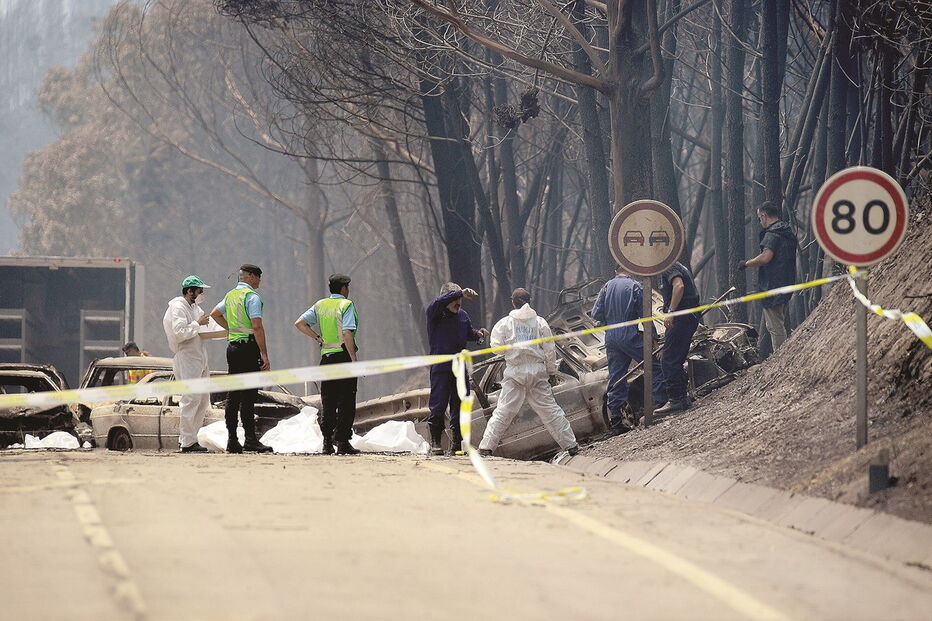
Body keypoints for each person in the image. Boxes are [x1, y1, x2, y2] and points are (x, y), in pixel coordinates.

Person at [477, 289, 578, 457]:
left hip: (515, 374)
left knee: (503, 412)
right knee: (551, 411)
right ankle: (571, 445)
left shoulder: (504, 324)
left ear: (513, 303)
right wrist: (551, 372)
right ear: (530, 301)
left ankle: (486, 447)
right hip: (537, 373)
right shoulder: (540, 322)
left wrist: (510, 349)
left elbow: (495, 347)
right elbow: (550, 350)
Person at [590, 266, 666, 433]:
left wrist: (607, 320)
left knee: (617, 377)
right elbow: (645, 316)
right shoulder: (634, 286)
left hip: (611, 337)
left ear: (616, 271)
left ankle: (616, 420)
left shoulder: (607, 287)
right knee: (654, 367)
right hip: (629, 334)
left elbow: (595, 313)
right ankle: (660, 405)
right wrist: (653, 338)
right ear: (630, 270)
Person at [294, 274, 360, 456]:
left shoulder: (320, 305)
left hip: (326, 359)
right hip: (343, 356)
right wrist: (353, 359)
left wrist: (317, 338)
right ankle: (342, 441)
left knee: (328, 401)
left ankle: (326, 442)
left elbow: (299, 323)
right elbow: (347, 333)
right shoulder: (346, 305)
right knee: (346, 401)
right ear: (344, 288)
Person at [210, 264, 273, 454]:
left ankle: (232, 440)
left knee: (233, 395)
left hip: (233, 348)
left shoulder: (230, 295)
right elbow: (257, 327)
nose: (259, 281)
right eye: (258, 277)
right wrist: (264, 354)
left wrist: (232, 329)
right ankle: (250, 439)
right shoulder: (252, 297)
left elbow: (215, 313)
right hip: (248, 348)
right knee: (248, 396)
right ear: (251, 276)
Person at [162, 275, 227, 453]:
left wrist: (229, 330)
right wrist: (197, 324)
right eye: (199, 290)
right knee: (190, 399)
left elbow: (208, 326)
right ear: (189, 291)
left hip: (199, 356)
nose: (201, 294)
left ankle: (192, 438)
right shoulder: (177, 307)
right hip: (187, 356)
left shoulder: (194, 308)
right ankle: (186, 441)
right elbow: (179, 333)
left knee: (202, 399)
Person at [424, 282, 489, 455]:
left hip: (459, 368)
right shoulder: (435, 312)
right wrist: (459, 292)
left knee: (460, 405)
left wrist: (479, 335)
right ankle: (436, 442)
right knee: (438, 404)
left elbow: (469, 333)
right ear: (445, 299)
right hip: (441, 367)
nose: (458, 302)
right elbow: (439, 302)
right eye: (454, 299)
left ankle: (457, 444)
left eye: (460, 299)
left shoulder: (463, 315)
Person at [738, 201, 798, 353]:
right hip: (786, 282)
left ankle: (781, 356)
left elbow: (765, 257)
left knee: (775, 326)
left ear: (764, 216)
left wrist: (747, 263)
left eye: (759, 218)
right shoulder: (786, 231)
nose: (760, 221)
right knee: (779, 321)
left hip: (773, 285)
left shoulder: (772, 235)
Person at [654, 262, 701, 414]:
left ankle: (675, 400)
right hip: (688, 315)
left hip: (681, 316)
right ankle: (682, 398)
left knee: (668, 360)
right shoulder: (678, 266)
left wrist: (671, 312)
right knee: (677, 359)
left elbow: (679, 286)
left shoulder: (668, 266)